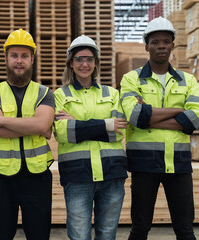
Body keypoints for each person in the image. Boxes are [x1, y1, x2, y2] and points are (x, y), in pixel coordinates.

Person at [120, 17, 199, 240]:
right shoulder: (131, 79)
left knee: (185, 229)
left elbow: (195, 119)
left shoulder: (188, 80)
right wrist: (178, 110)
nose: (161, 45)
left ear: (173, 44)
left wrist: (150, 117)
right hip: (143, 164)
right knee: (140, 229)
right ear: (147, 46)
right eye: (155, 42)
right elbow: (135, 116)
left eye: (166, 41)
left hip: (178, 164)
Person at [0, 28, 55, 240]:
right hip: (1, 177)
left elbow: (42, 126)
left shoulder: (44, 93)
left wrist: (2, 119)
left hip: (38, 176)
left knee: (39, 235)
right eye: (14, 55)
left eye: (24, 56)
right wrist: (32, 125)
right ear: (6, 58)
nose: (19, 61)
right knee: (0, 235)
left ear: (32, 59)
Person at [54, 35, 128, 240]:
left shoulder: (112, 93)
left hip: (112, 173)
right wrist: (105, 124)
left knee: (107, 234)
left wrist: (77, 124)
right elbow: (62, 132)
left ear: (96, 63)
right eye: (79, 59)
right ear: (70, 63)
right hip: (78, 175)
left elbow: (118, 131)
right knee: (79, 235)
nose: (84, 64)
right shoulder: (60, 95)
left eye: (89, 59)